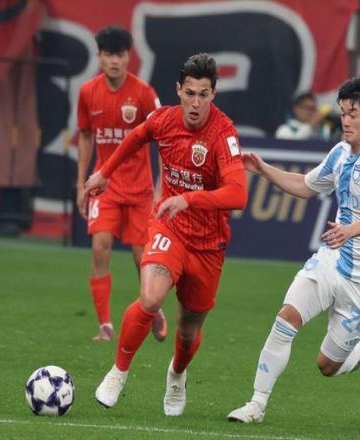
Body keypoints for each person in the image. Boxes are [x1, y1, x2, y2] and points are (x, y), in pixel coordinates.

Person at [228, 76, 360, 423]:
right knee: (286, 318)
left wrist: (349, 230)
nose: (346, 121)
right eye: (343, 113)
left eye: (354, 114)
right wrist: (264, 169)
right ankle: (256, 405)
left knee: (327, 366)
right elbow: (307, 186)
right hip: (332, 259)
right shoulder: (340, 152)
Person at [83, 53, 248, 415]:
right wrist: (105, 173)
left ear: (214, 94)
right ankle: (118, 372)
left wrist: (189, 198)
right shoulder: (164, 119)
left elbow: (238, 194)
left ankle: (176, 374)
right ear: (178, 90)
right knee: (150, 297)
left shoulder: (223, 133)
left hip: (208, 244)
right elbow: (135, 138)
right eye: (189, 93)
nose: (195, 103)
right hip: (169, 228)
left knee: (188, 330)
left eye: (203, 94)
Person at [76, 25, 167, 342]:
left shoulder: (144, 93)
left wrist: (161, 188)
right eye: (108, 55)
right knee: (99, 247)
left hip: (140, 190)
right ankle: (105, 325)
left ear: (129, 56)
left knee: (142, 258)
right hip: (106, 186)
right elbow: (85, 137)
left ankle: (153, 308)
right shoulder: (88, 92)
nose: (114, 61)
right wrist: (81, 183)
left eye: (120, 55)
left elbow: (163, 140)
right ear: (99, 57)